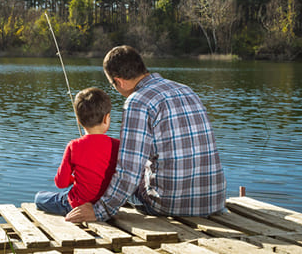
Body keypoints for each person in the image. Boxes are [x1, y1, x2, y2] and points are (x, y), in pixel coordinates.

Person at [65, 45, 226, 222]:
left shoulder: (137, 101)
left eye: (113, 86)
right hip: (214, 201)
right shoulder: (186, 90)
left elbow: (129, 171)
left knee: (115, 174)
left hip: (170, 205)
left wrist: (100, 211)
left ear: (119, 81)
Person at [34, 87, 120, 216]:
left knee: (39, 198)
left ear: (79, 121)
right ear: (106, 118)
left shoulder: (74, 146)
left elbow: (61, 183)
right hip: (105, 205)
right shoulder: (117, 145)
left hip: (76, 205)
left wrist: (73, 179)